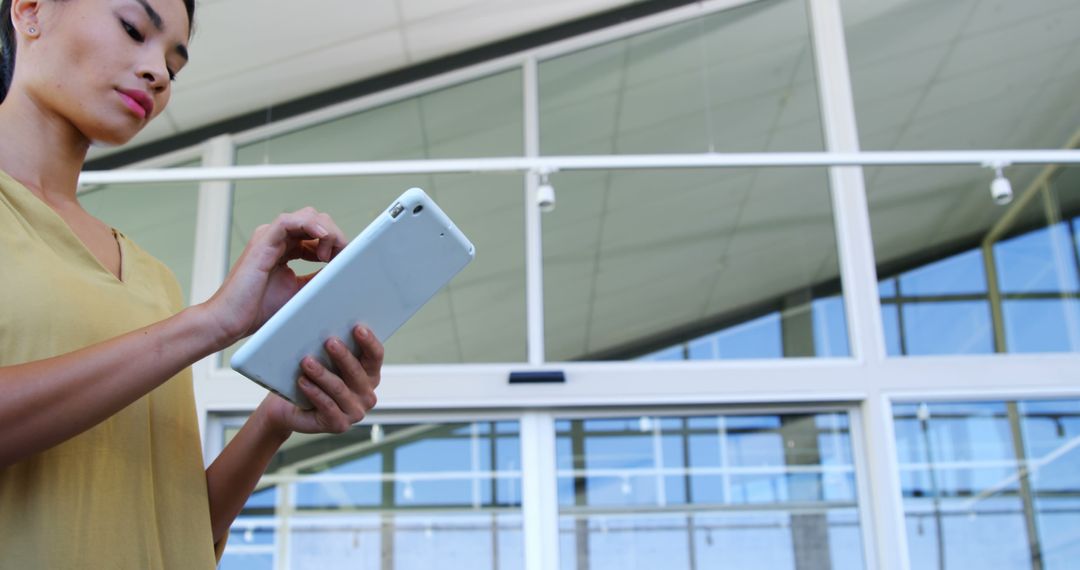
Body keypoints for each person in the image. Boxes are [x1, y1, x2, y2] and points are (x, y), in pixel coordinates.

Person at [0, 0, 383, 566]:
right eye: (133, 29)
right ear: (31, 10)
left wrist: (274, 418)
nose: (157, 74)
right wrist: (210, 323)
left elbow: (173, 531)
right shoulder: (187, 318)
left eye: (174, 67)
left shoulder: (154, 281)